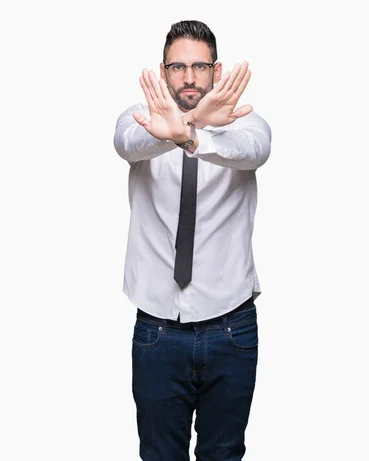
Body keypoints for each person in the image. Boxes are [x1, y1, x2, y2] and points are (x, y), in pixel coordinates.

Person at [113, 19, 271, 461]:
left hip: (231, 326)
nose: (188, 77)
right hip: (157, 329)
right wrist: (183, 126)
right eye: (177, 66)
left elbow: (252, 152)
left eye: (199, 67)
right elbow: (129, 145)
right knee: (159, 455)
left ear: (216, 72)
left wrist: (192, 133)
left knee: (224, 454)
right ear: (162, 71)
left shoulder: (247, 124)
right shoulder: (138, 119)